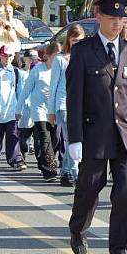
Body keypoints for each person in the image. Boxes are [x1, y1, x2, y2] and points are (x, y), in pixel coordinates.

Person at [66, 0, 127, 254]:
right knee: (89, 189)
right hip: (94, 134)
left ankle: (121, 252)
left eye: (121, 19)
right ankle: (78, 229)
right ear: (98, 17)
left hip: (126, 135)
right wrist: (75, 138)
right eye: (112, 18)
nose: (117, 23)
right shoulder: (83, 52)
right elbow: (74, 99)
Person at [48, 23, 85, 187]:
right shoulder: (61, 60)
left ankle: (66, 171)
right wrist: (51, 110)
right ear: (68, 40)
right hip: (63, 104)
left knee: (79, 139)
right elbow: (53, 85)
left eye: (79, 40)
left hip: (82, 105)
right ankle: (73, 172)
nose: (76, 43)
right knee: (72, 139)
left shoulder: (85, 57)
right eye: (74, 40)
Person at [17, 42, 60, 181]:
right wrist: (18, 109)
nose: (59, 59)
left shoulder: (60, 70)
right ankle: (50, 170)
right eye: (56, 56)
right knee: (44, 138)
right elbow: (25, 91)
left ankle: (43, 162)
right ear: (48, 55)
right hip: (39, 110)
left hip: (53, 110)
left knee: (54, 140)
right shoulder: (38, 70)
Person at [0, 45, 26, 170]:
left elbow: (20, 92)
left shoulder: (17, 73)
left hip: (12, 110)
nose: (7, 58)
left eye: (9, 56)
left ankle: (15, 160)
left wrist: (20, 109)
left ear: (13, 56)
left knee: (13, 135)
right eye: (4, 56)